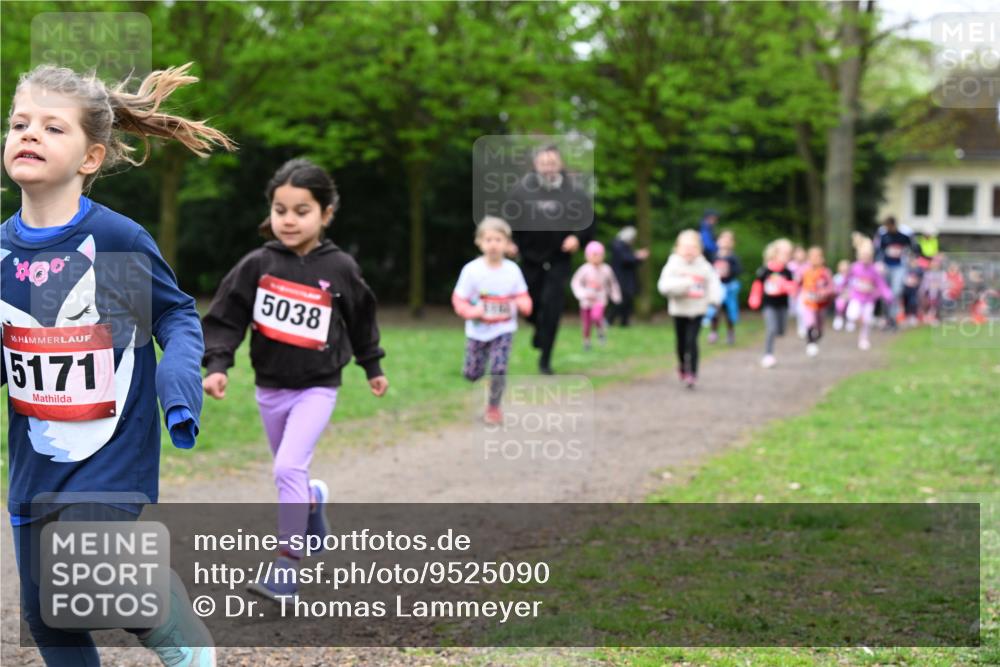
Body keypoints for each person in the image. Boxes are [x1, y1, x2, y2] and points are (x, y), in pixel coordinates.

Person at [2, 63, 233, 667]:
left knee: (88, 573)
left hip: (111, 454)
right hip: (35, 461)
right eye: (19, 123)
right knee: (48, 616)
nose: (29, 134)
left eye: (53, 128)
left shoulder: (115, 241)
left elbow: (176, 317)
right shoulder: (2, 252)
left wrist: (179, 386)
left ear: (90, 157)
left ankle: (175, 628)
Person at [202, 158, 388, 600]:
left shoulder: (340, 266)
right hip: (269, 389)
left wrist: (372, 365)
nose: (288, 220)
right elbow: (226, 318)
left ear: (325, 214)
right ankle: (312, 499)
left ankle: (287, 566)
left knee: (286, 467)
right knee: (293, 475)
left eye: (301, 211)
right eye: (280, 209)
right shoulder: (257, 265)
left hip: (318, 387)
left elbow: (361, 317)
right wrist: (217, 366)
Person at [506, 145, 594, 374]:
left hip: (559, 259)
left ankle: (545, 359)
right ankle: (538, 329)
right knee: (531, 305)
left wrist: (577, 237)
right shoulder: (521, 191)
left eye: (552, 163)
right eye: (544, 163)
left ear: (560, 164)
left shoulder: (574, 192)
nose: (548, 168)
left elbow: (588, 223)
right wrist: (510, 242)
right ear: (536, 165)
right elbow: (508, 221)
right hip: (529, 259)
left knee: (552, 307)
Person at [452, 216, 532, 424]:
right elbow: (459, 298)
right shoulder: (472, 270)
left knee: (498, 368)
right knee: (472, 373)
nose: (494, 244)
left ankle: (493, 408)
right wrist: (470, 311)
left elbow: (522, 294)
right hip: (477, 331)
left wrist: (525, 304)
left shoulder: (512, 271)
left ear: (507, 244)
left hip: (503, 329)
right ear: (479, 242)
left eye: (498, 240)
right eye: (489, 239)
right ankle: (472, 371)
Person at [657, 230, 722, 389]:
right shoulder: (673, 264)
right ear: (677, 248)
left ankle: (692, 373)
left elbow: (713, 283)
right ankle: (682, 365)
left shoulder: (704, 266)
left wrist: (714, 300)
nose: (689, 251)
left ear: (699, 249)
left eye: (693, 247)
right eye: (685, 247)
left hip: (698, 309)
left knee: (692, 341)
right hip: (679, 310)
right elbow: (663, 286)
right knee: (681, 342)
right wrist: (684, 284)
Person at [748, 238, 796, 368]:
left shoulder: (787, 272)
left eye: (788, 254)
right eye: (784, 254)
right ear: (775, 254)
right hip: (769, 304)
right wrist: (755, 298)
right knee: (771, 328)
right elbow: (758, 284)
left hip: (783, 305)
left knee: (781, 331)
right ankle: (768, 355)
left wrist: (786, 286)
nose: (787, 257)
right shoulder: (765, 270)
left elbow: (793, 287)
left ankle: (770, 350)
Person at [571, 240, 622, 350]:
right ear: (588, 256)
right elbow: (575, 282)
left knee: (597, 316)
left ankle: (600, 331)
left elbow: (612, 283)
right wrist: (581, 294)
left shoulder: (606, 269)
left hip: (600, 299)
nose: (596, 258)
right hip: (586, 300)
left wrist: (615, 296)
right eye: (593, 255)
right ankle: (586, 341)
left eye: (599, 255)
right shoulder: (584, 269)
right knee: (586, 324)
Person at [844, 239, 893, 350]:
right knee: (851, 315)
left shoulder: (874, 270)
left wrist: (887, 294)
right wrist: (841, 289)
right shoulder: (855, 267)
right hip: (856, 297)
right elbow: (847, 279)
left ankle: (864, 339)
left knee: (866, 321)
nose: (865, 258)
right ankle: (858, 322)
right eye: (863, 256)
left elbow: (881, 284)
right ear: (859, 256)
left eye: (868, 256)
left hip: (869, 300)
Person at [874, 216, 914, 330]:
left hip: (899, 267)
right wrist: (879, 263)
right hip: (886, 267)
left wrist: (910, 260)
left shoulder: (903, 236)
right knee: (885, 293)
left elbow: (912, 249)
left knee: (896, 292)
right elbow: (878, 250)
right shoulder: (883, 236)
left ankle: (893, 318)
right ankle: (886, 317)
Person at [702, 229, 742, 345]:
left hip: (729, 288)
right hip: (717, 288)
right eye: (723, 239)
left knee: (729, 311)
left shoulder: (734, 258)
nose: (725, 242)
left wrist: (729, 271)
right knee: (714, 310)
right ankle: (714, 332)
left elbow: (739, 270)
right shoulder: (713, 256)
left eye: (728, 240)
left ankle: (730, 333)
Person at [607, 226, 649, 327]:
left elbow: (629, 259)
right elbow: (626, 260)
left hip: (627, 279)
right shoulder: (618, 245)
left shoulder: (624, 246)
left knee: (627, 301)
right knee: (621, 300)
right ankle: (609, 320)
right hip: (620, 278)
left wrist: (636, 257)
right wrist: (638, 257)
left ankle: (624, 322)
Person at [799, 247, 834, 357]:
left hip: (821, 304)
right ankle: (810, 343)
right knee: (810, 322)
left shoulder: (825, 272)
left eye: (817, 256)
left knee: (819, 326)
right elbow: (796, 283)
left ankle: (817, 337)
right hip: (808, 302)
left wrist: (825, 292)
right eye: (812, 257)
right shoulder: (804, 270)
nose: (815, 259)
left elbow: (831, 287)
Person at [832, 259, 851, 331]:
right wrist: (841, 293)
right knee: (840, 303)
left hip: (850, 297)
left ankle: (849, 320)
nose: (844, 269)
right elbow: (835, 288)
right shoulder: (837, 277)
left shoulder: (851, 278)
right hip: (840, 296)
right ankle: (839, 317)